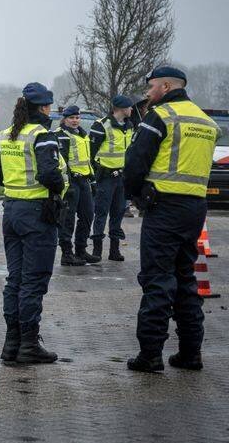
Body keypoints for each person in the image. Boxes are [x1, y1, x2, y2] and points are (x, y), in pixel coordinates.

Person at [123, 66, 217, 373]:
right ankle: (191, 353)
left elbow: (136, 161)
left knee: (158, 279)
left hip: (164, 208)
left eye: (151, 86)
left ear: (165, 86)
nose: (148, 92)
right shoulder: (205, 121)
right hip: (195, 209)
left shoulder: (161, 116)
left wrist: (133, 194)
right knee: (186, 279)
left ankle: (150, 355)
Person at [0, 83, 66, 364]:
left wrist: (17, 185)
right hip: (37, 214)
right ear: (44, 107)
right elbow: (49, 174)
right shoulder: (42, 135)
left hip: (12, 211)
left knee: (15, 279)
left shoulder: (7, 133)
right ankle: (29, 345)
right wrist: (60, 188)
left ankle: (12, 344)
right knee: (33, 281)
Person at [89, 95, 134, 262]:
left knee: (118, 213)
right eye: (129, 107)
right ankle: (97, 250)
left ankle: (114, 250)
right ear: (121, 108)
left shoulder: (129, 126)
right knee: (101, 213)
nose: (131, 109)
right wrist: (96, 174)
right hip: (105, 177)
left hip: (122, 177)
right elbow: (90, 153)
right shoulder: (101, 125)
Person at [55, 106, 97, 266]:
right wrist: (68, 184)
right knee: (68, 219)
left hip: (84, 180)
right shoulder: (61, 135)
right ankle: (67, 254)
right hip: (71, 182)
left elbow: (87, 160)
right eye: (71, 118)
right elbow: (62, 162)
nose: (75, 121)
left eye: (77, 118)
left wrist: (92, 179)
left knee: (87, 216)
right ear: (65, 119)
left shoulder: (82, 134)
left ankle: (81, 250)